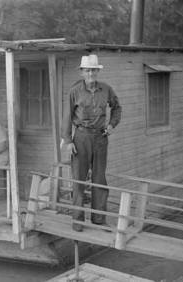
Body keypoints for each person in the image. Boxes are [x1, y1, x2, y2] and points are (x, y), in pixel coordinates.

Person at [61, 54, 122, 232]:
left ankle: (98, 218)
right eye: (87, 70)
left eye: (94, 70)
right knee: (79, 179)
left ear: (98, 71)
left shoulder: (106, 90)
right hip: (81, 137)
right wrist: (68, 140)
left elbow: (117, 108)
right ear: (82, 72)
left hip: (101, 138)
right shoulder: (75, 92)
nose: (91, 73)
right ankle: (78, 220)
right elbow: (66, 116)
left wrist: (111, 125)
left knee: (99, 178)